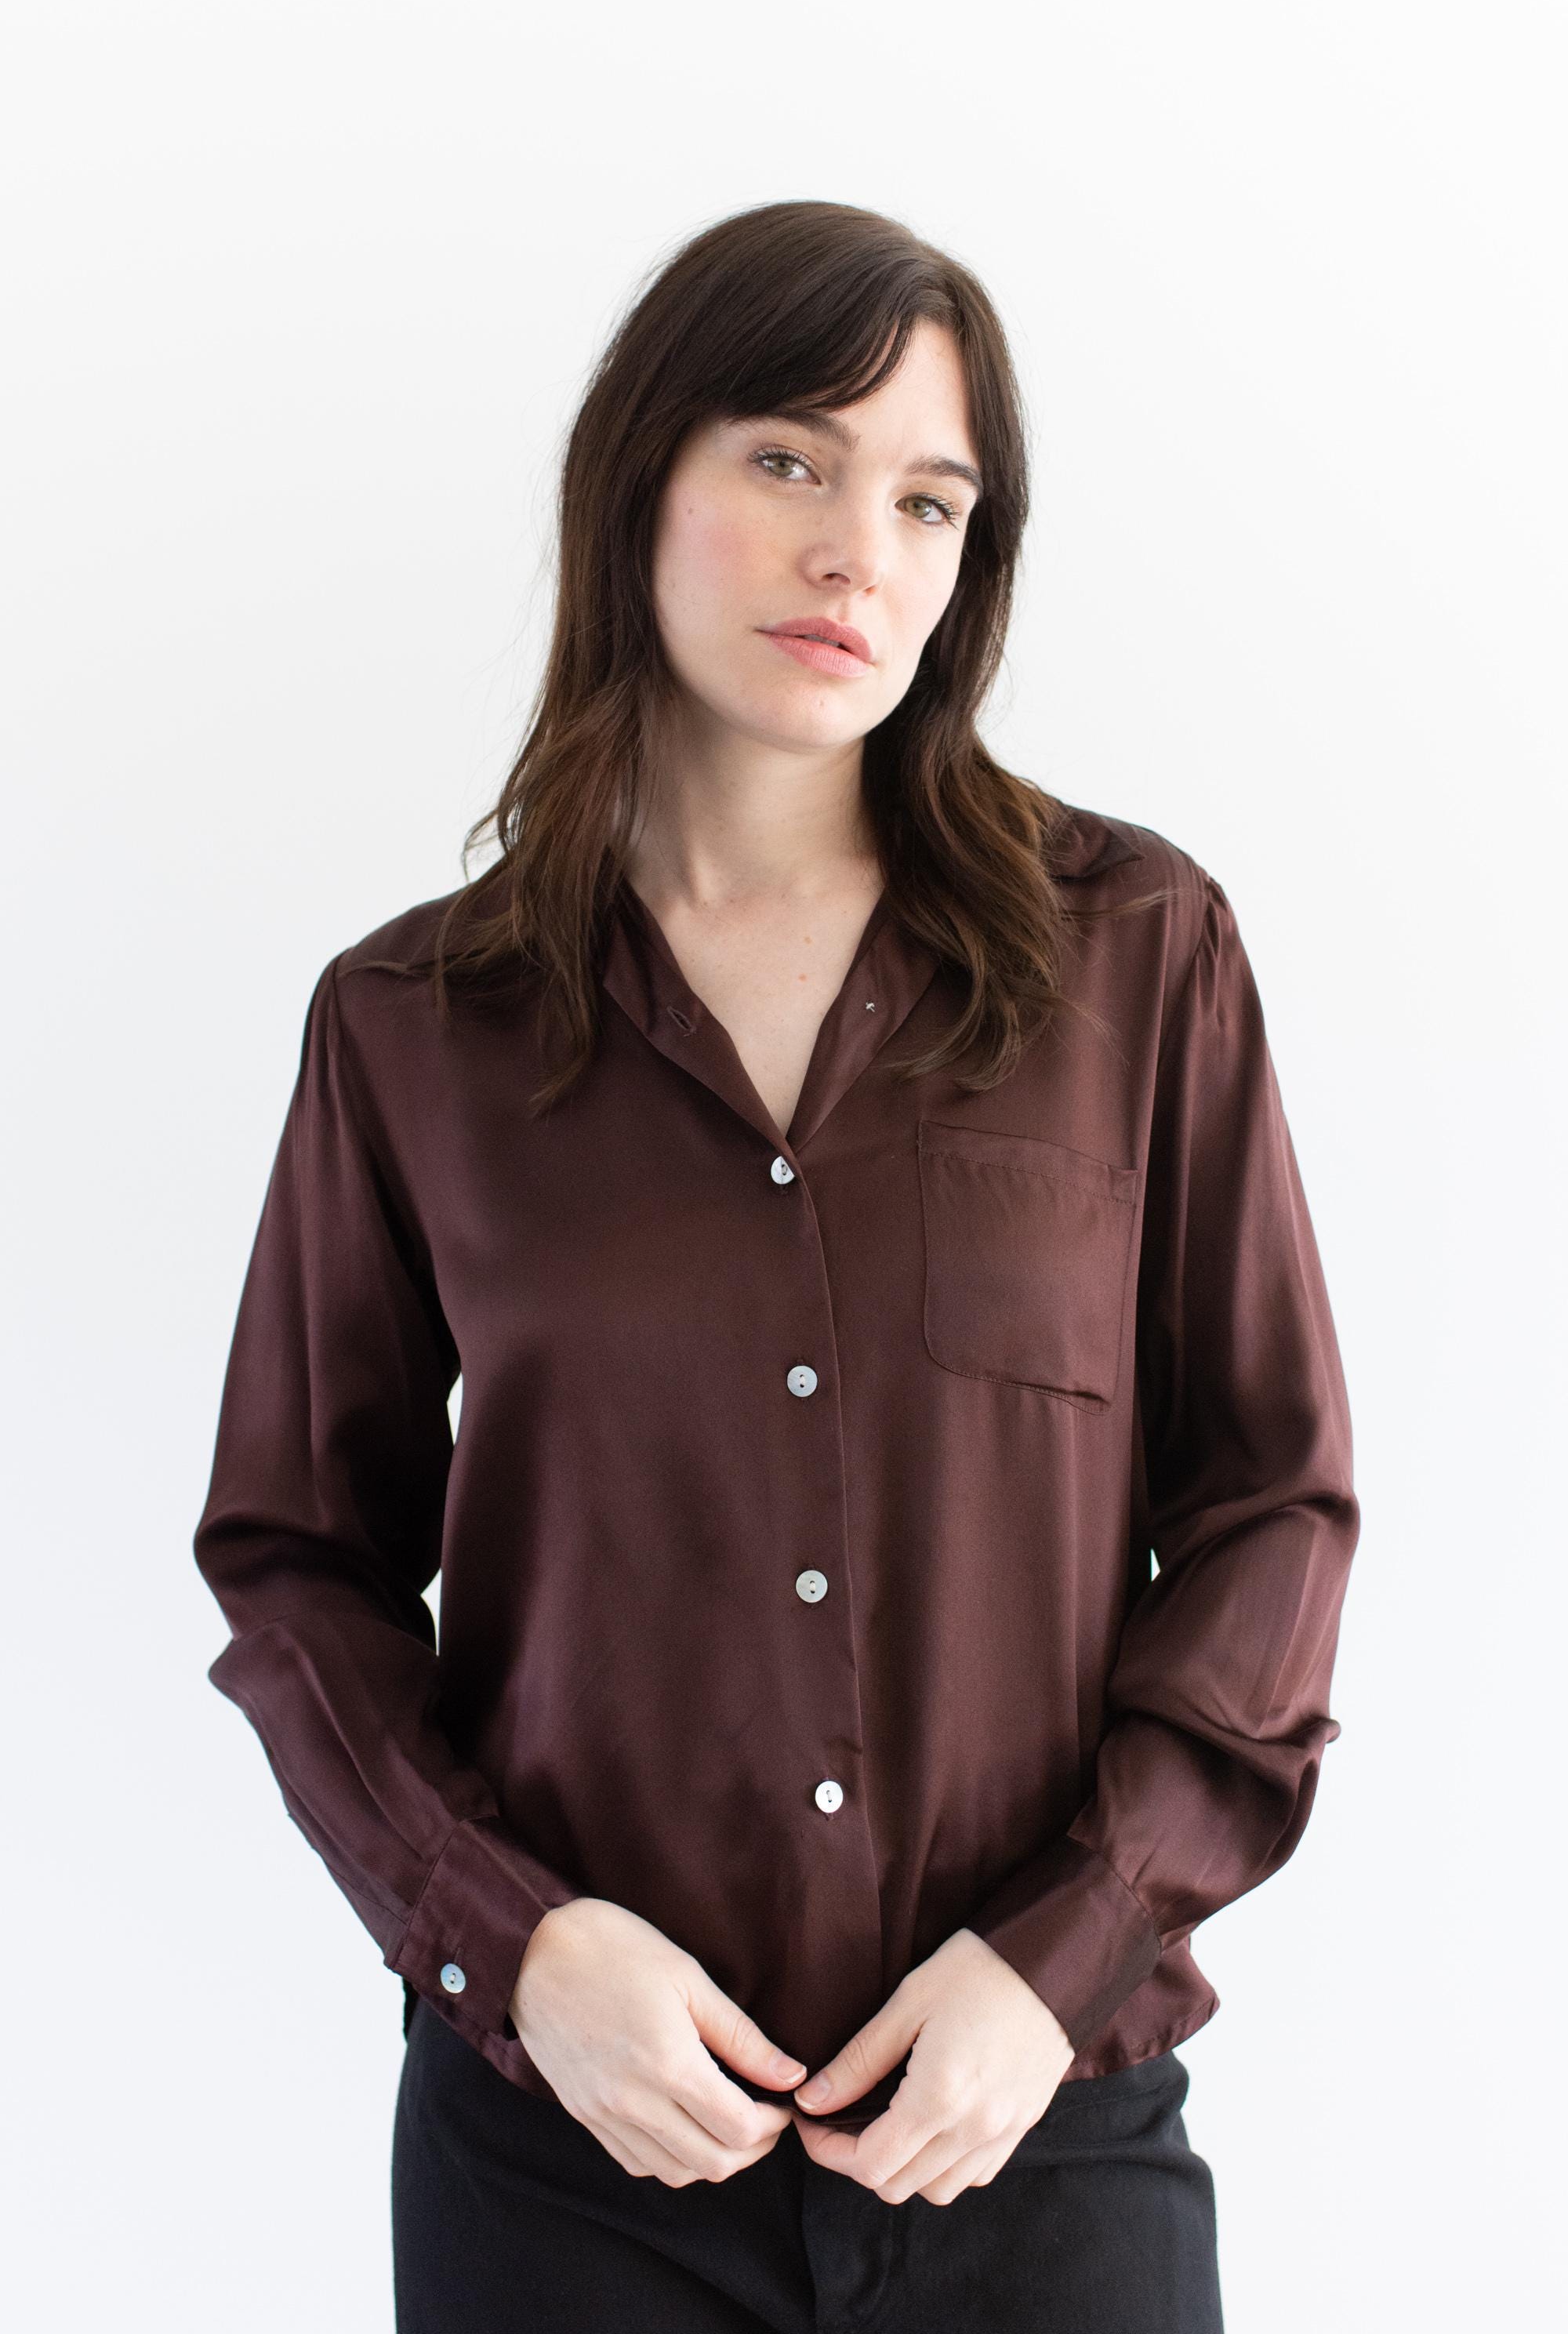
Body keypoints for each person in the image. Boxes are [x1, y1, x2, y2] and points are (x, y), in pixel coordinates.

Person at [193, 199, 1359, 2332]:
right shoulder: (416, 1027)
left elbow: (1274, 1503)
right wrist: (515, 1946)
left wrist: (1064, 1955)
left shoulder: (1135, 959)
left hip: (1041, 2141)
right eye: (791, 460)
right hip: (572, 2163)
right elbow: (298, 1564)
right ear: (638, 481)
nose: (857, 554)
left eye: (928, 501)